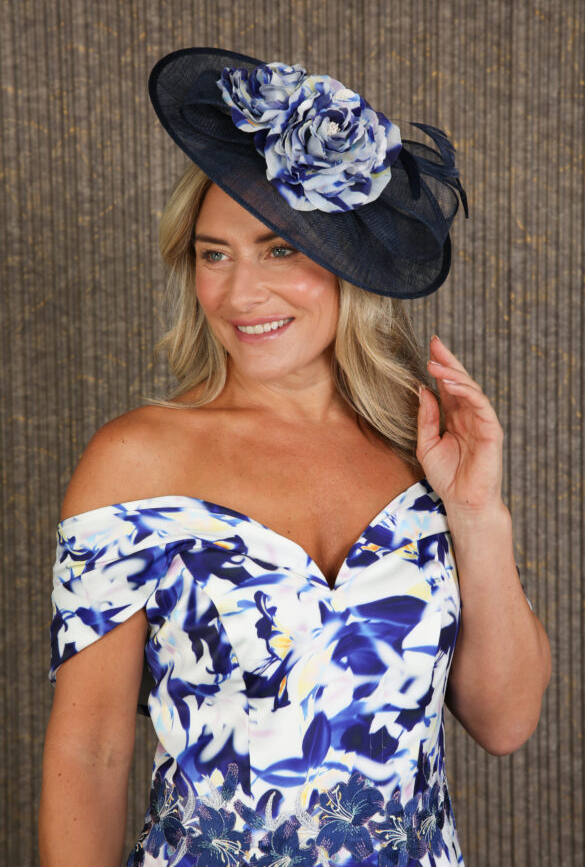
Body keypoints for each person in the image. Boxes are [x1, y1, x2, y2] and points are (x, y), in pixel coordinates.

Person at [39, 48, 551, 867]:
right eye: (213, 254)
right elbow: (90, 750)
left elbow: (505, 721)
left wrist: (475, 512)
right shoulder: (135, 461)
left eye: (279, 249)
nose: (239, 293)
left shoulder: (422, 450)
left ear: (348, 261)